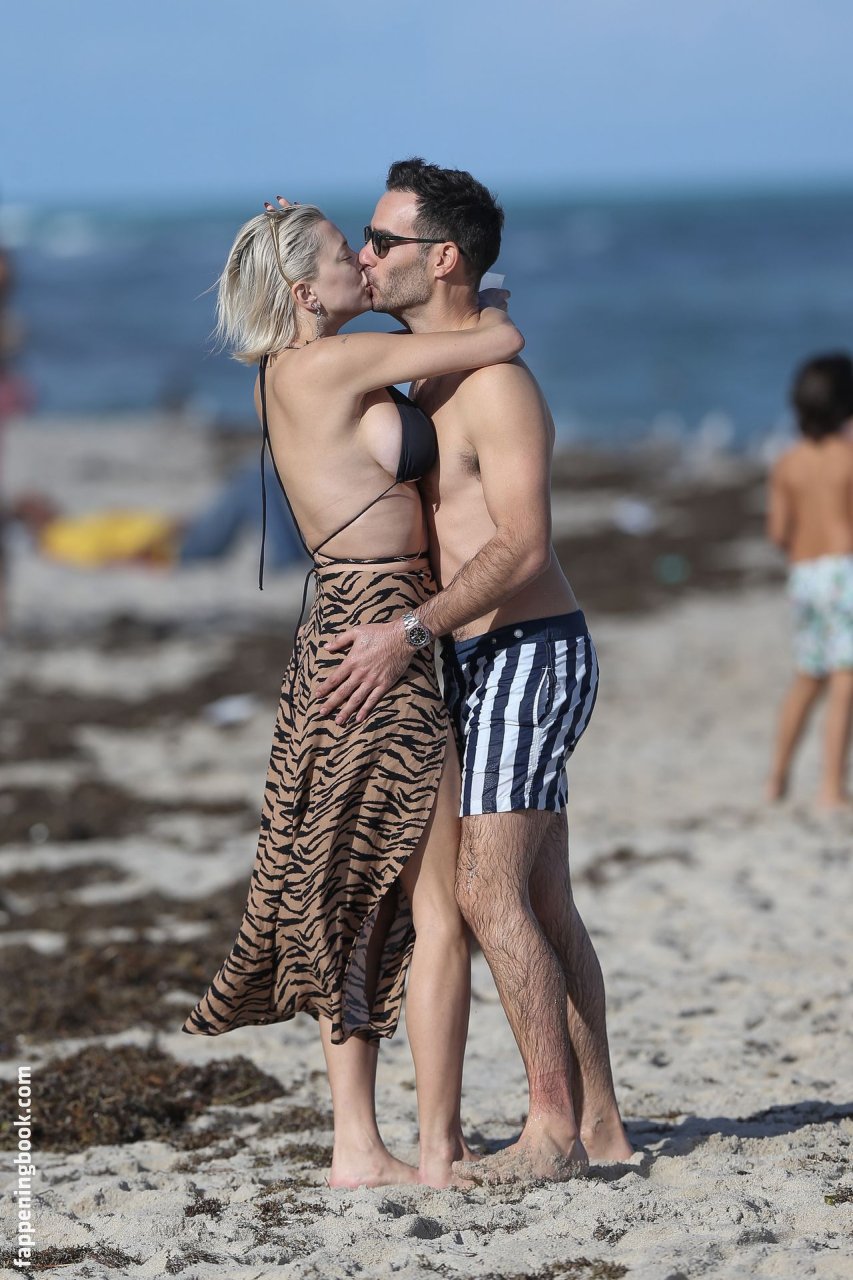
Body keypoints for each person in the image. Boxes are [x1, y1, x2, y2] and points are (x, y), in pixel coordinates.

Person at [182, 197, 524, 1189]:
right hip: (381, 631)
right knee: (430, 903)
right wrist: (481, 293)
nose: (365, 265)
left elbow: (408, 389)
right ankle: (434, 1146)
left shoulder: (292, 371)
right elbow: (497, 341)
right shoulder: (326, 363)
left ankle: (358, 1145)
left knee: (353, 897)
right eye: (347, 254)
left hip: (339, 625)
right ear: (304, 290)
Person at [319, 159, 632, 1185]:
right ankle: (600, 1125)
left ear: (441, 257)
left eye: (383, 240)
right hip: (473, 656)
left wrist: (409, 630)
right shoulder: (434, 369)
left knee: (489, 891)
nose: (367, 255)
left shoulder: (494, 388)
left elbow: (521, 544)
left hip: (525, 652)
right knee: (539, 898)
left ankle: (549, 1126)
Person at [766, 353, 853, 810]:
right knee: (845, 678)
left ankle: (776, 779)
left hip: (804, 575)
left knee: (807, 677)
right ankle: (831, 787)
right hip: (844, 572)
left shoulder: (788, 463)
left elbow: (778, 532)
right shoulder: (847, 458)